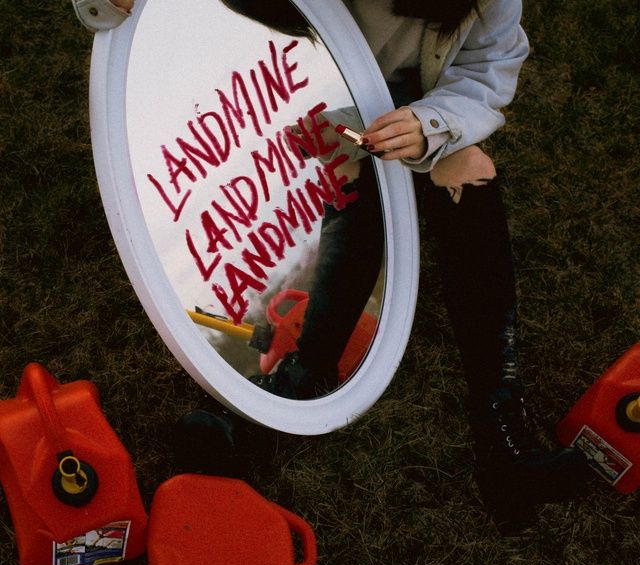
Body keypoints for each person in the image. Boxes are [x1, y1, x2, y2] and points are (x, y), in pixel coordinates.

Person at [76, 0, 591, 530]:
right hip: (297, 84)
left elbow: (489, 64)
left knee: (469, 171)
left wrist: (433, 122)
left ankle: (502, 431)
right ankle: (295, 377)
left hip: (409, 101)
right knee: (353, 188)